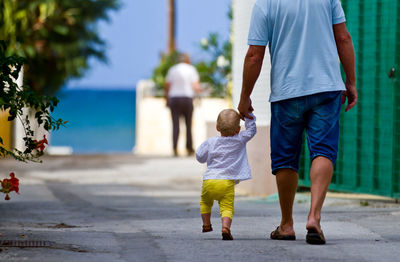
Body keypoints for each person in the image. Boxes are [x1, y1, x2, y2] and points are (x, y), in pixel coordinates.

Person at [238, 0, 357, 245]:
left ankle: (287, 224)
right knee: (323, 151)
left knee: (285, 159)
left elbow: (254, 55)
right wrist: (351, 81)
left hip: (286, 92)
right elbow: (343, 38)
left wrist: (245, 96)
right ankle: (314, 217)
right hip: (326, 90)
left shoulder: (266, 5)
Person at [196, 109, 257, 240]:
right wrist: (248, 116)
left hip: (209, 181)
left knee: (205, 203)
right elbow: (252, 131)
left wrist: (206, 157)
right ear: (238, 129)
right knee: (227, 207)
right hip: (227, 182)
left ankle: (206, 224)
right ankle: (225, 228)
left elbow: (200, 156)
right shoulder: (240, 139)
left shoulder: (210, 142)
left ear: (217, 127)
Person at [165, 53, 201, 157]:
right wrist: (199, 95)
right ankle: (189, 148)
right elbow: (196, 86)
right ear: (187, 60)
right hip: (187, 99)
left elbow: (167, 85)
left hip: (174, 98)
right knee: (188, 125)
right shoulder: (191, 69)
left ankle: (175, 148)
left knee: (175, 125)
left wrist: (166, 98)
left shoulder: (172, 69)